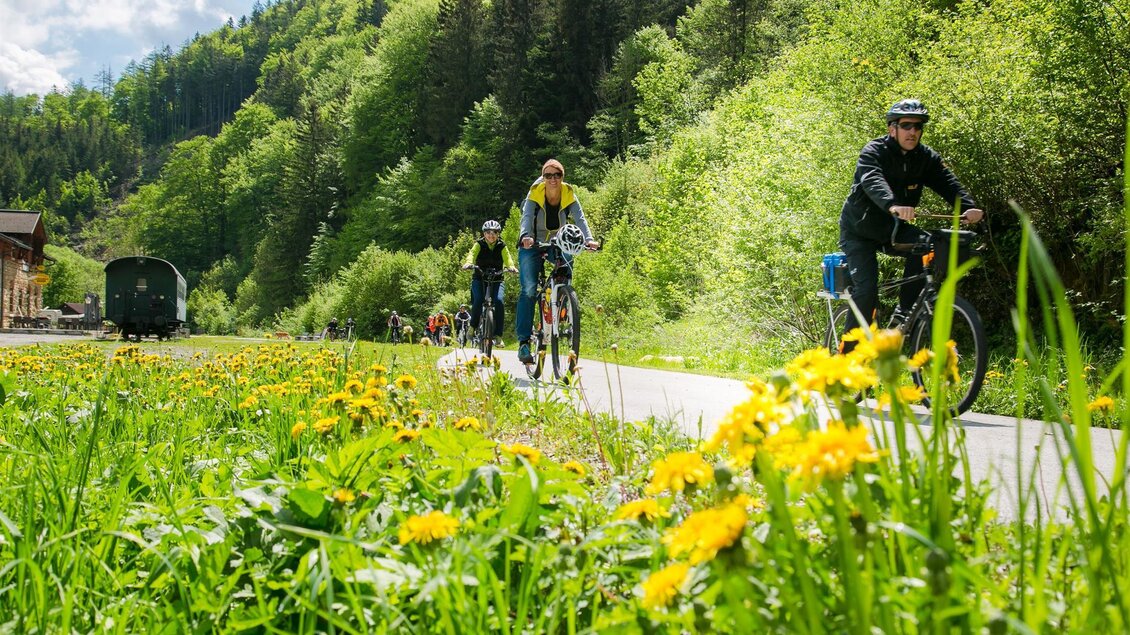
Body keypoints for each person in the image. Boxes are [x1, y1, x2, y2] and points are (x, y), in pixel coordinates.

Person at [838, 99, 984, 349]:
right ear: (891, 128)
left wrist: (969, 207)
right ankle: (847, 356)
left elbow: (947, 183)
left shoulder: (924, 158)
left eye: (918, 127)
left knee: (927, 245)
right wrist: (892, 204)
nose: (913, 132)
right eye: (906, 125)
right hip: (859, 231)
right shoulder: (873, 151)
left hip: (895, 229)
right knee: (867, 290)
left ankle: (904, 312)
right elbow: (872, 180)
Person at [515, 159, 600, 363]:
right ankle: (524, 343)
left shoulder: (568, 192)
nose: (553, 179)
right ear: (543, 177)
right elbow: (527, 217)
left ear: (563, 176)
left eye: (557, 175)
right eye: (548, 175)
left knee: (565, 269)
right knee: (528, 289)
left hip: (558, 240)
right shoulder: (535, 191)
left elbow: (580, 218)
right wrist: (525, 236)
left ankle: (562, 301)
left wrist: (588, 239)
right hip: (532, 242)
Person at [462, 220, 517, 347]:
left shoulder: (502, 245)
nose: (491, 235)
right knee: (479, 299)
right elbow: (472, 254)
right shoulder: (479, 244)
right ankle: (473, 327)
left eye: (494, 232)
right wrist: (469, 263)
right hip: (479, 277)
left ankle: (498, 335)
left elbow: (507, 258)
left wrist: (511, 267)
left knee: (499, 301)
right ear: (484, 233)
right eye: (488, 232)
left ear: (498, 234)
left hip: (497, 278)